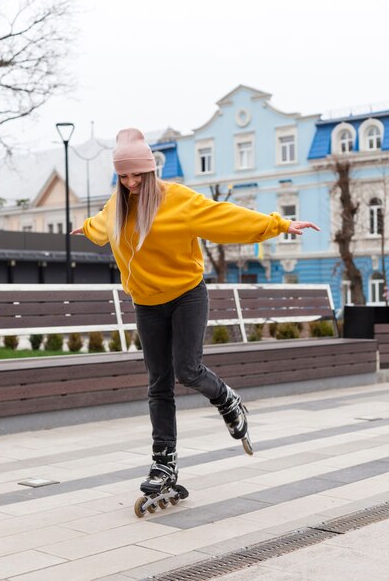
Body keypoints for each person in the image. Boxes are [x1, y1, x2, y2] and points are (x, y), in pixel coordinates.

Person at [71, 127, 320, 496]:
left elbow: (226, 217)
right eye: (123, 176)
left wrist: (279, 224)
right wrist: (86, 229)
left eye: (137, 174)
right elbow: (100, 226)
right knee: (158, 384)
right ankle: (163, 464)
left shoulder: (178, 200)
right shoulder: (117, 205)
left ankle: (227, 399)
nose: (130, 182)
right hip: (147, 303)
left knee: (187, 369)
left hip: (187, 295)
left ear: (151, 171)